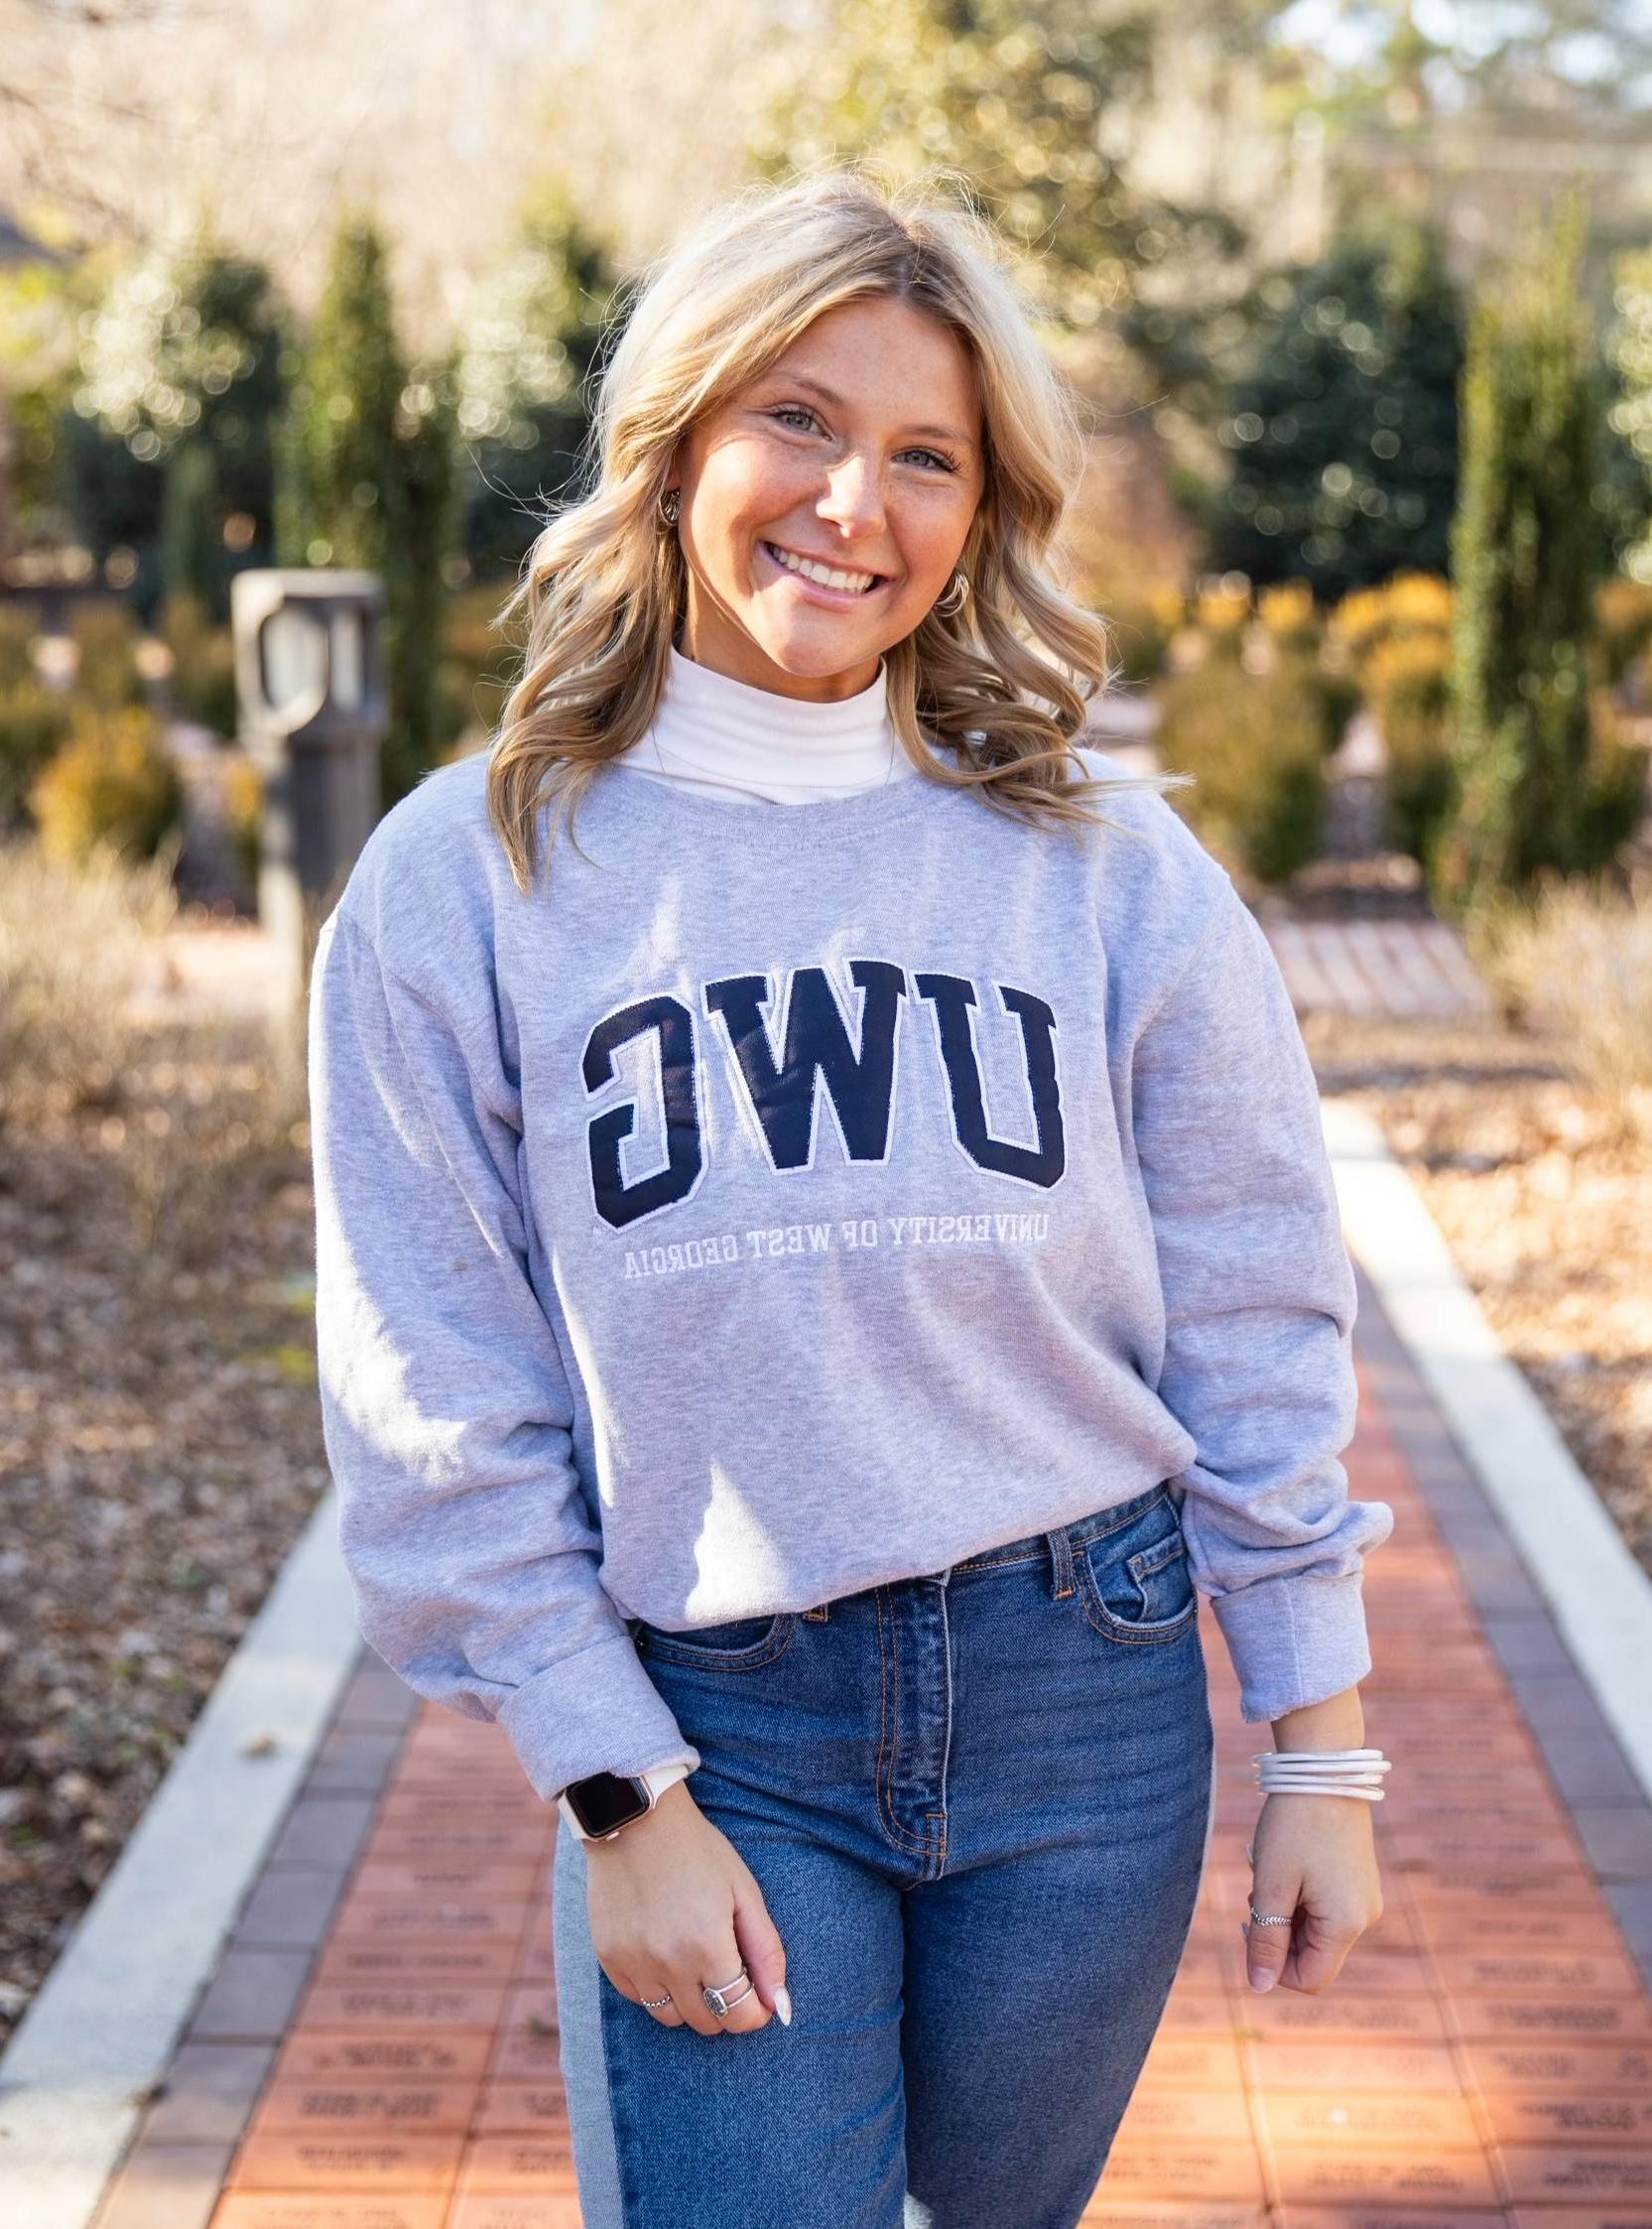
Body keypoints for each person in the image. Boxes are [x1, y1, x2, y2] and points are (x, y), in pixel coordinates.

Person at [307, 165, 1394, 2229]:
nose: (850, 505)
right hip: (720, 1712)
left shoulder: (1108, 870)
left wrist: (1318, 1750)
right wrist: (613, 1789)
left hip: (1088, 1692)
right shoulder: (469, 882)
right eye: (794, 420)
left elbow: (1256, 1311)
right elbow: (433, 1390)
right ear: (680, 440)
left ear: (981, 513)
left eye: (924, 456)